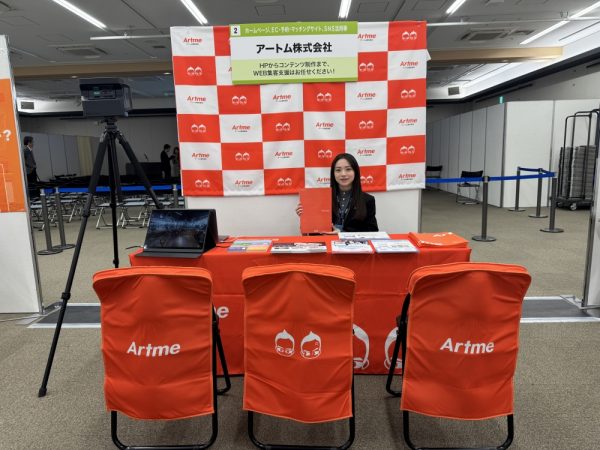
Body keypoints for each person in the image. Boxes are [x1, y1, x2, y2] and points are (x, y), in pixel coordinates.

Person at [296, 153, 378, 232]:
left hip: (353, 242)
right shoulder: (322, 199)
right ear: (333, 174)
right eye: (338, 170)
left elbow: (373, 231)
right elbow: (313, 231)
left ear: (355, 172)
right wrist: (306, 217)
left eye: (348, 169)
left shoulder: (368, 200)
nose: (343, 174)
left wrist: (342, 233)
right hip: (327, 240)